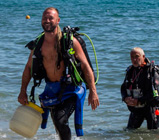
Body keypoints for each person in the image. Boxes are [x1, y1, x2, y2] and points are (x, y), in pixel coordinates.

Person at [18, 7, 99, 140]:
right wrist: (22, 91)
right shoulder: (38, 44)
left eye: (51, 18)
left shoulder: (69, 42)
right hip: (52, 90)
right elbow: (28, 68)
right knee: (59, 123)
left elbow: (85, 66)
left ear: (58, 20)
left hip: (73, 88)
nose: (47, 21)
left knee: (59, 120)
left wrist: (93, 91)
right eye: (45, 18)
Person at [121, 47, 159, 130]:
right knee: (129, 131)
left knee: (154, 134)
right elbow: (123, 87)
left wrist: (139, 100)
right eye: (132, 57)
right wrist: (125, 98)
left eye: (137, 56)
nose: (134, 59)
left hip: (151, 107)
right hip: (137, 107)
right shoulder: (130, 71)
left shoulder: (151, 71)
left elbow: (157, 96)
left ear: (143, 57)